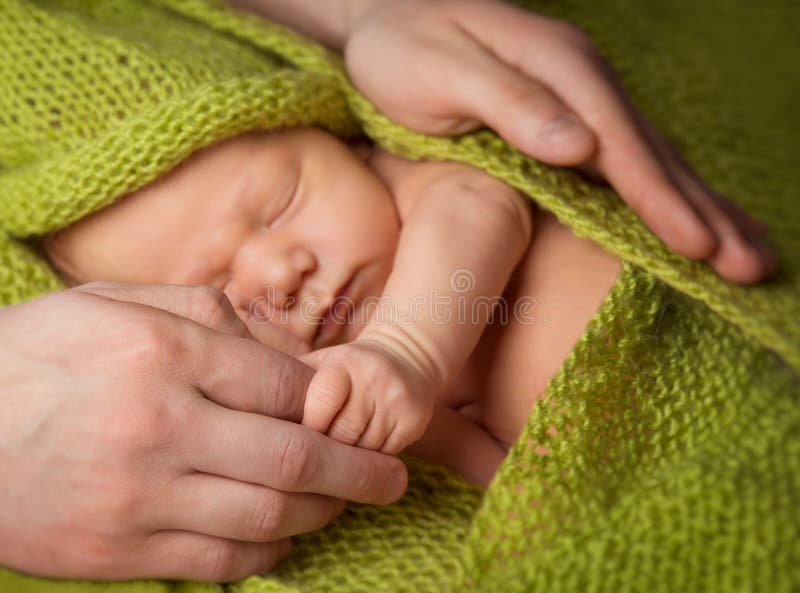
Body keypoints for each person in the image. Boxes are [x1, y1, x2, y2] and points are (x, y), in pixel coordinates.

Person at [0, 0, 774, 583]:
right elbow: (474, 469)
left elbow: (482, 204)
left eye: (279, 204)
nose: (274, 274)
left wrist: (406, 349)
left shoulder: (409, 188)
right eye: (218, 293)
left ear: (344, 141)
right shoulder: (330, 390)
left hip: (696, 359)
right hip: (635, 476)